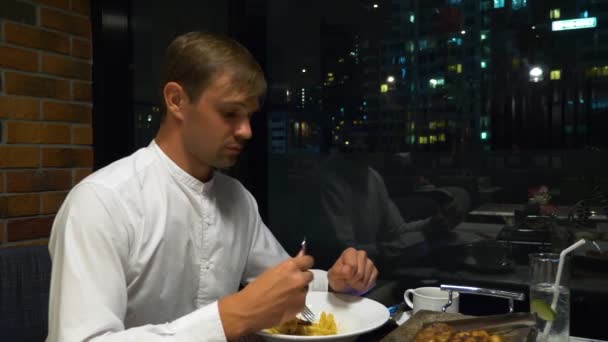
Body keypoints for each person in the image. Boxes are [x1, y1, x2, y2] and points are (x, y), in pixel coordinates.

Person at [46, 31, 377, 342]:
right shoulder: (102, 202)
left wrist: (333, 281)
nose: (246, 131)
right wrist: (228, 318)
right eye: (230, 113)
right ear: (176, 100)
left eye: (249, 115)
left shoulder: (237, 199)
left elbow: (279, 281)